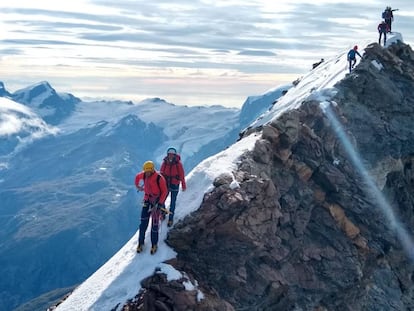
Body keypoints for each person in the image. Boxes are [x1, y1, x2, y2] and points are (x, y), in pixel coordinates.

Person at [134, 160, 168, 254]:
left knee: (154, 225)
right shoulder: (144, 174)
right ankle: (140, 243)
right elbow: (137, 177)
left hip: (156, 202)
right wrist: (138, 186)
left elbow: (164, 192)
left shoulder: (159, 178)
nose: (147, 173)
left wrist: (160, 203)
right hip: (147, 200)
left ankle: (154, 244)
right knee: (143, 224)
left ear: (153, 170)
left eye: (149, 171)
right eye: (146, 171)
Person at [160, 147, 186, 227]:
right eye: (169, 154)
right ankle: (163, 213)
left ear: (174, 155)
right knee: (162, 200)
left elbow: (181, 175)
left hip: (174, 184)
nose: (170, 156)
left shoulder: (178, 164)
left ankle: (170, 218)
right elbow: (161, 174)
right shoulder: (165, 163)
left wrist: (183, 184)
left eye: (172, 155)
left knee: (172, 202)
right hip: (166, 184)